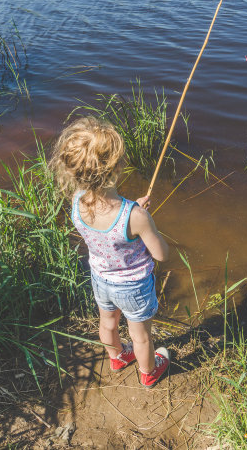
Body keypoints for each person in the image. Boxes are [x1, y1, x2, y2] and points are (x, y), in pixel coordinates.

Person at [50, 116, 170, 387]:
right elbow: (161, 254)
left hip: (101, 279)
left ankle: (116, 358)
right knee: (141, 336)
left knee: (108, 323)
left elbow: (107, 223)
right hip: (134, 287)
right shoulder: (135, 216)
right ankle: (149, 372)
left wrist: (133, 209)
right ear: (117, 167)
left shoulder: (77, 200)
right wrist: (141, 219)